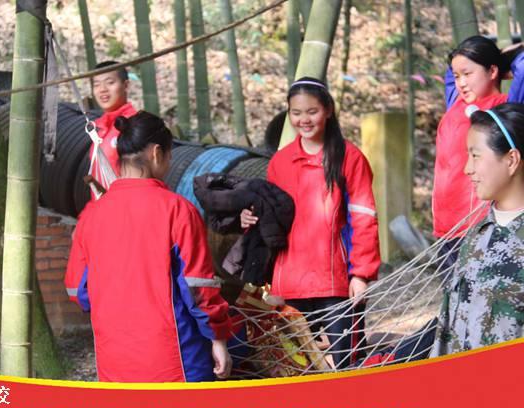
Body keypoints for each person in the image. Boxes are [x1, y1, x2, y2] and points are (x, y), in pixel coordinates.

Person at [65, 111, 233, 382]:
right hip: (175, 358)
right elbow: (198, 288)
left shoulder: (91, 216)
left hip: (113, 358)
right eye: (169, 156)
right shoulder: (178, 210)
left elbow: (78, 290)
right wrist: (218, 338)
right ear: (157, 153)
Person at [241, 77, 381, 368]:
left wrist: (361, 274)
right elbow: (271, 218)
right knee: (292, 367)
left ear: (328, 110)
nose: (304, 120)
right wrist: (249, 218)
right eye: (296, 113)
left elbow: (364, 218)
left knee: (345, 365)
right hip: (288, 284)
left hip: (336, 284)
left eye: (312, 111)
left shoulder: (350, 158)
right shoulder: (279, 162)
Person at [438, 103, 524, 354]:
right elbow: (447, 329)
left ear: (511, 160)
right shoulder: (476, 237)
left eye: (475, 156)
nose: (467, 169)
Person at [434, 36, 524, 265]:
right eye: (458, 77)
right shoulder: (455, 104)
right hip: (445, 230)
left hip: (482, 226)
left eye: (468, 74)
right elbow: (451, 72)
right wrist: (472, 66)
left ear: (492, 71)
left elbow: (523, 69)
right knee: (453, 288)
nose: (461, 83)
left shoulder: (505, 110)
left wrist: (506, 59)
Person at [88, 61, 137, 197]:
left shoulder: (134, 125)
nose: (102, 89)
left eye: (110, 82)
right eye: (96, 84)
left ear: (126, 85)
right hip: (102, 205)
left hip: (125, 204)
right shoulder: (99, 128)